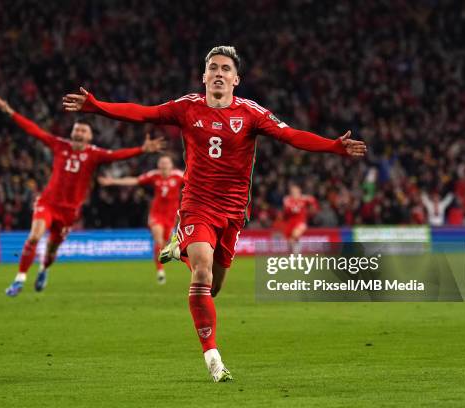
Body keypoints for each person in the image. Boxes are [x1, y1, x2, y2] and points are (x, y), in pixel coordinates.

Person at [62, 46, 367, 382]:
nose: (219, 73)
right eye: (213, 68)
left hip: (234, 213)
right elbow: (142, 113)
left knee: (214, 287)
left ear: (236, 79)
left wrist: (333, 146)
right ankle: (213, 357)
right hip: (197, 206)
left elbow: (291, 135)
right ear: (203, 76)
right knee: (202, 274)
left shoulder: (251, 113)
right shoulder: (186, 107)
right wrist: (97, 107)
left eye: (225, 69)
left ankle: (179, 248)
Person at [0, 96, 164, 297]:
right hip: (47, 203)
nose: (79, 132)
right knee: (34, 237)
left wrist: (141, 150)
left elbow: (118, 155)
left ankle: (44, 270)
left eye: (83, 130)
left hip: (69, 212)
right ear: (72, 132)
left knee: (52, 250)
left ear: (89, 136)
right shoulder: (59, 145)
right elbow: (34, 131)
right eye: (77, 129)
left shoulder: (95, 154)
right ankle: (19, 280)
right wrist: (10, 111)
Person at [99, 155, 184, 284]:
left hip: (171, 216)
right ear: (158, 165)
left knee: (165, 242)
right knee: (158, 238)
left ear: (171, 165)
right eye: (162, 163)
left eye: (166, 163)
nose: (164, 165)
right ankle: (160, 271)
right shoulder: (154, 175)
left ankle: (164, 259)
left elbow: (195, 180)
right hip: (156, 214)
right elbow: (134, 180)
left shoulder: (178, 176)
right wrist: (113, 181)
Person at [282, 184, 319, 252]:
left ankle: (297, 254)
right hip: (290, 222)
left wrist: (313, 208)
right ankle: (294, 254)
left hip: (301, 221)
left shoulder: (304, 198)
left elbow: (313, 201)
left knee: (295, 235)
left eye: (296, 191)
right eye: (293, 191)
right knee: (290, 241)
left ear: (299, 191)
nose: (295, 192)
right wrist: (292, 209)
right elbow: (286, 211)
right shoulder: (287, 199)